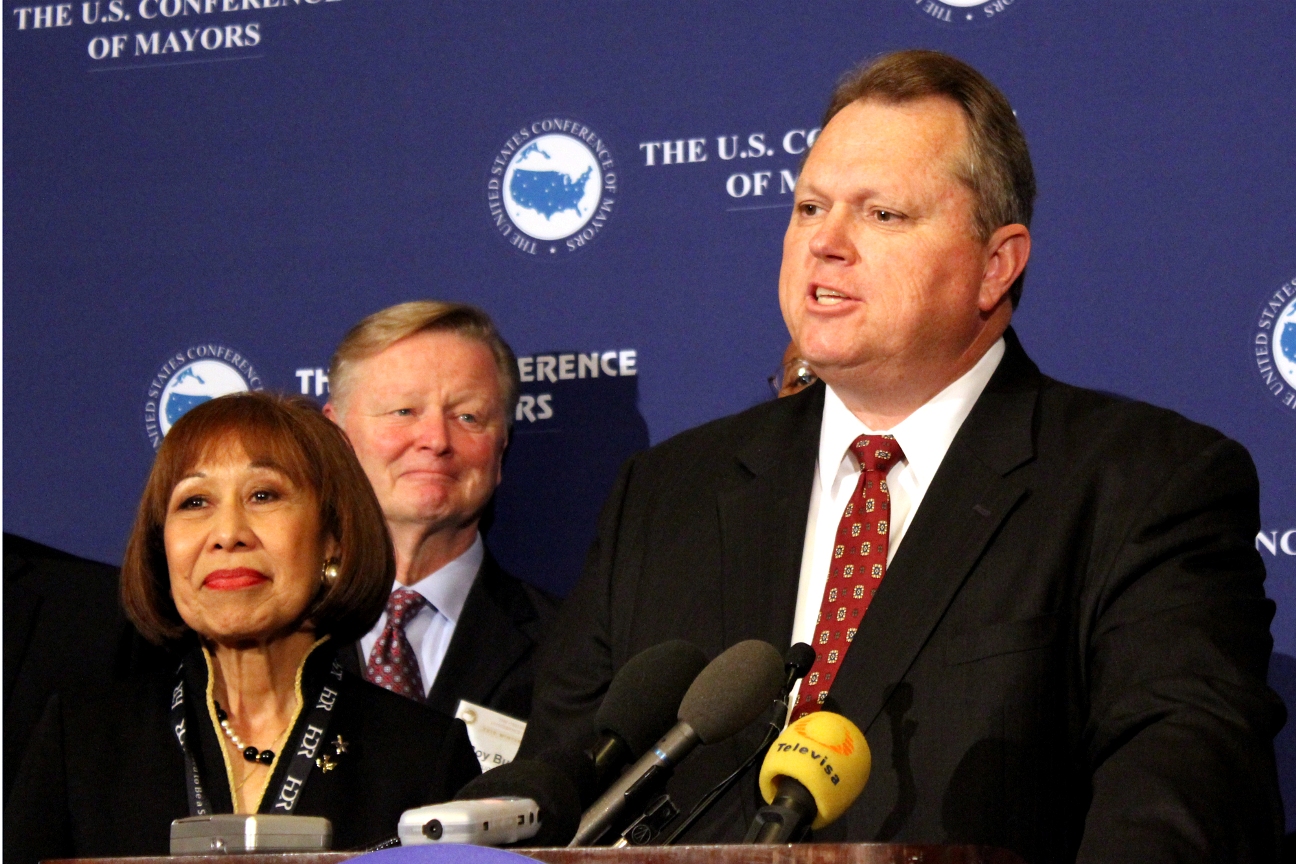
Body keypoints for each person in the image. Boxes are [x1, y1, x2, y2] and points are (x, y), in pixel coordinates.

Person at [522, 50, 1285, 861]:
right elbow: (552, 790)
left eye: (881, 215)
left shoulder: (1143, 485)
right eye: (810, 207)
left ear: (996, 264)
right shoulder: (665, 493)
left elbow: (1181, 807)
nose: (826, 243)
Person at [5, 393, 481, 864]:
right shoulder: (81, 741)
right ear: (162, 547)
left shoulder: (424, 755)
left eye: (262, 495)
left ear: (332, 540)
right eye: (194, 501)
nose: (227, 532)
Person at [324, 301, 555, 721]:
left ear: (501, 447)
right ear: (337, 437)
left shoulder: (569, 645)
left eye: (468, 416)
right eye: (404, 412)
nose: (435, 439)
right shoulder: (274, 630)